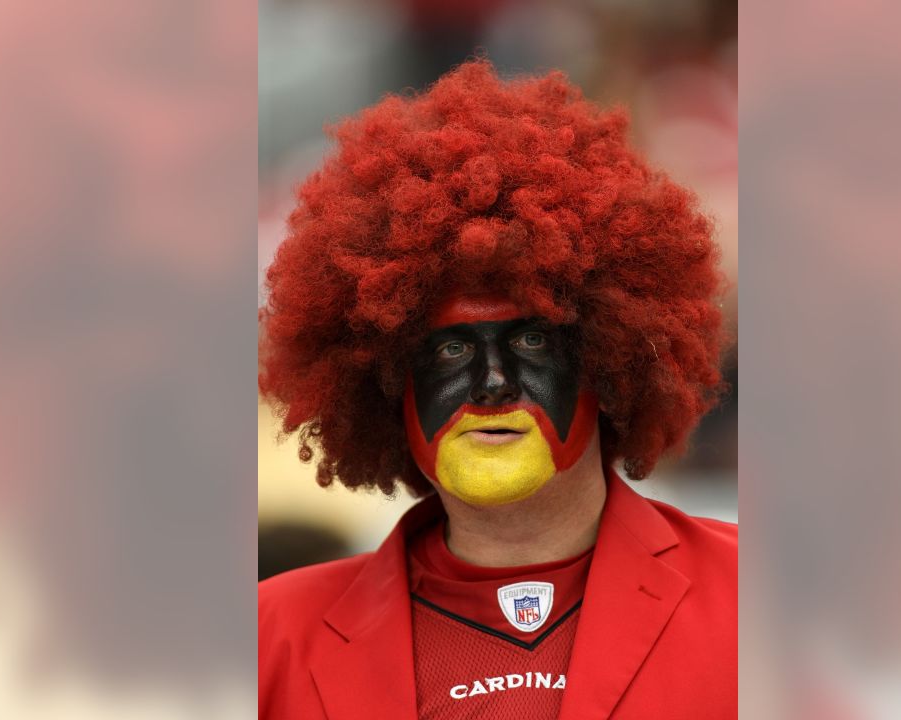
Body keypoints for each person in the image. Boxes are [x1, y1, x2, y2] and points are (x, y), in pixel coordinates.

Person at [258, 60, 736, 719]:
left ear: (611, 359)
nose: (492, 384)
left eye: (533, 341)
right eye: (451, 349)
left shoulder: (757, 598)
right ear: (386, 384)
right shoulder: (270, 640)